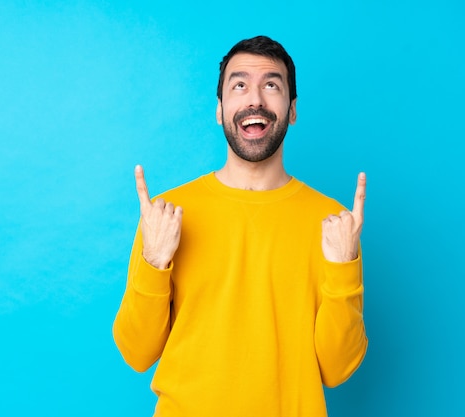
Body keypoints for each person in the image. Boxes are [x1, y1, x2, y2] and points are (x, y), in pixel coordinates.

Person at [113, 35, 368, 416]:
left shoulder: (333, 225)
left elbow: (337, 369)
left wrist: (343, 269)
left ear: (292, 109)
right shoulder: (167, 215)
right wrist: (154, 260)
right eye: (239, 85)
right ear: (219, 109)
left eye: (271, 85)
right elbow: (136, 352)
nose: (255, 100)